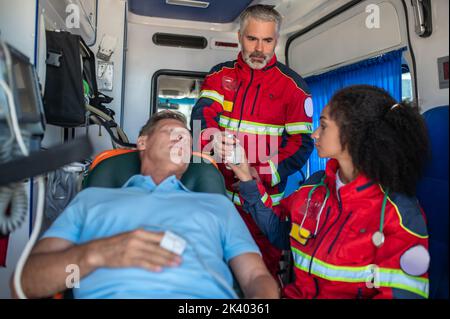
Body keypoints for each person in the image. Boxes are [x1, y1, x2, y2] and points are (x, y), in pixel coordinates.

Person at [16, 111, 279, 299]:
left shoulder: (217, 206)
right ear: (143, 142)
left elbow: (255, 278)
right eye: (172, 133)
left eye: (187, 138)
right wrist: (94, 255)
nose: (183, 141)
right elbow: (26, 285)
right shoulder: (92, 200)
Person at [229, 85, 431, 299]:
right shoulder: (314, 187)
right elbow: (279, 232)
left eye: (323, 126)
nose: (315, 134)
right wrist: (246, 179)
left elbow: (406, 294)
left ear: (353, 135)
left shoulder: (398, 213)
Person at [190, 4, 314, 279]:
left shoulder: (294, 88)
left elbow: (301, 145)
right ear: (240, 37)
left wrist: (263, 173)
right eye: (252, 38)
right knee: (212, 268)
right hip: (218, 197)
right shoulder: (219, 75)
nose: (259, 48)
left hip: (262, 202)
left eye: (267, 40)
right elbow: (202, 115)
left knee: (261, 272)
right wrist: (211, 138)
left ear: (276, 41)